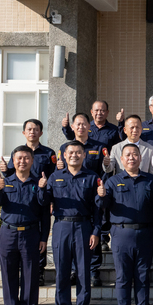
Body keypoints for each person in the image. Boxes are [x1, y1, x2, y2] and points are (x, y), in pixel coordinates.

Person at [96, 144, 153, 305]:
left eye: (135, 154)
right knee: (123, 276)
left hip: (146, 233)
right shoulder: (112, 181)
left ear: (141, 158)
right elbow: (104, 205)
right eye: (127, 155)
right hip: (121, 233)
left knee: (142, 275)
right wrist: (101, 196)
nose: (131, 157)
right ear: (121, 159)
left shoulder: (150, 180)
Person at [37, 140, 101, 305]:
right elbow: (43, 203)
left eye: (78, 152)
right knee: (62, 272)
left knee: (82, 272)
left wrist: (96, 231)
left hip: (83, 227)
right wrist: (41, 188)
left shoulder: (92, 177)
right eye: (70, 152)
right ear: (64, 155)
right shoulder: (54, 177)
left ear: (84, 155)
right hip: (61, 227)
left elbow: (98, 209)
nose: (74, 155)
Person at [0, 145, 50, 305]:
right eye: (19, 158)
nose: (22, 161)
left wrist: (43, 238)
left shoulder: (37, 182)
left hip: (31, 233)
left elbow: (44, 213)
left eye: (26, 158)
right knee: (8, 274)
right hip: (8, 232)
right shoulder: (6, 181)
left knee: (30, 274)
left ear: (32, 161)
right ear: (13, 161)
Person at [0, 118, 57, 287]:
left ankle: (39, 271)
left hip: (41, 196)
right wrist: (5, 171)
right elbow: (12, 174)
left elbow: (53, 177)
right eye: (29, 129)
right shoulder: (17, 152)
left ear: (41, 132)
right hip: (23, 196)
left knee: (40, 234)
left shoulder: (48, 153)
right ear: (24, 133)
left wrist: (51, 200)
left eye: (36, 129)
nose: (32, 132)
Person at [57, 113, 109, 287]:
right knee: (73, 240)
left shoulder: (99, 146)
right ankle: (73, 271)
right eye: (77, 124)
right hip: (71, 198)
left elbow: (105, 171)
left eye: (84, 124)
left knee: (94, 233)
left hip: (92, 195)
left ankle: (94, 272)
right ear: (72, 127)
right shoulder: (65, 147)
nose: (80, 127)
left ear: (90, 126)